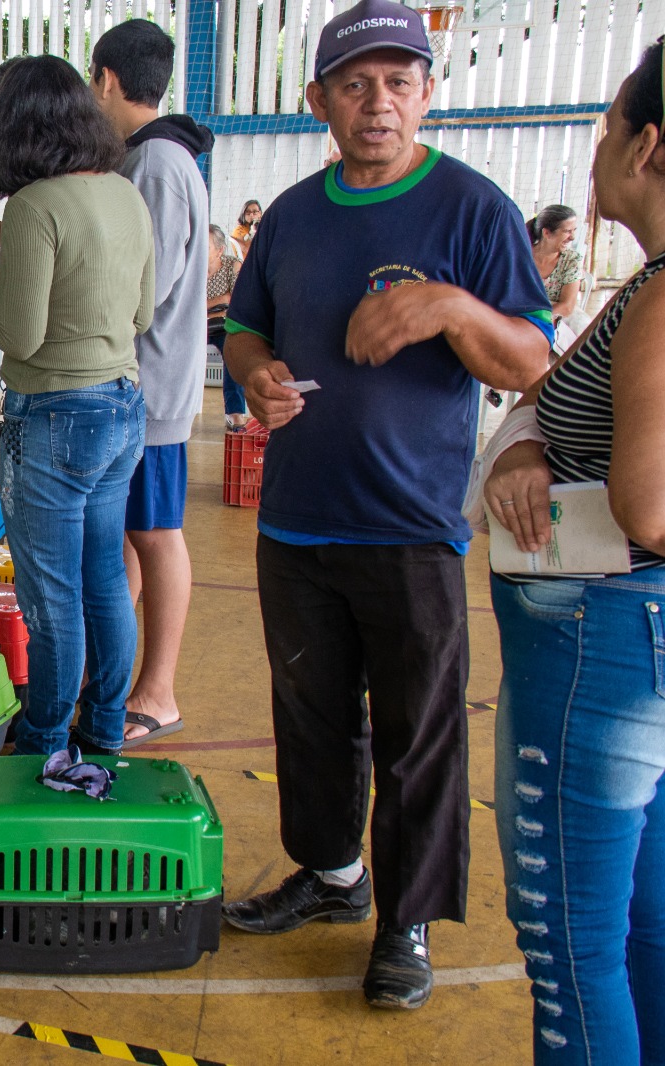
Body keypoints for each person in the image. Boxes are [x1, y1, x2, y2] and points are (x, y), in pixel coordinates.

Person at [218, 0, 551, 1011]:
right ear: (319, 99)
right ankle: (332, 876)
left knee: (418, 732)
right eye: (357, 84)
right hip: (295, 525)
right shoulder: (290, 214)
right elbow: (242, 332)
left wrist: (450, 307)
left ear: (426, 95)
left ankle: (405, 919)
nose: (380, 102)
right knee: (311, 717)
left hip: (410, 528)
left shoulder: (471, 209)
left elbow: (532, 360)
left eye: (400, 82)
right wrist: (257, 374)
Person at [483, 39, 665, 1063]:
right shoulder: (640, 293)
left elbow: (645, 502)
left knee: (570, 942)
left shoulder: (659, 303)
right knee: (642, 924)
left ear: (645, 146)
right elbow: (551, 404)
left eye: (603, 132)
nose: (593, 155)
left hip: (603, 648)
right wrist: (537, 441)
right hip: (627, 646)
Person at [0, 55, 155, 757]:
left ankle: (43, 734)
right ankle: (104, 728)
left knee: (50, 598)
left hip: (52, 417)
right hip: (120, 407)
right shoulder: (124, 193)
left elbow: (21, 335)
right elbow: (142, 313)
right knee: (104, 578)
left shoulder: (36, 205)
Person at [90, 18, 212, 750]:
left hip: (152, 389)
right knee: (132, 538)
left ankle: (158, 691)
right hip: (140, 386)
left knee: (157, 535)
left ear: (105, 80)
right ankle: (114, 673)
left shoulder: (158, 165)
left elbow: (150, 286)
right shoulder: (150, 159)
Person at [206, 225, 249, 430]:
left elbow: (236, 301)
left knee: (234, 353)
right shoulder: (190, 268)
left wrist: (208, 309)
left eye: (205, 247)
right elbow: (186, 305)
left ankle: (235, 411)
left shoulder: (233, 265)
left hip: (224, 327)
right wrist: (220, 301)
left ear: (220, 250)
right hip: (198, 327)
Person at [527, 203, 582, 321]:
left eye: (574, 231)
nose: (572, 237)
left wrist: (535, 319)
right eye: (567, 231)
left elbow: (567, 307)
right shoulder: (522, 256)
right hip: (520, 318)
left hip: (555, 319)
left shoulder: (571, 260)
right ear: (546, 233)